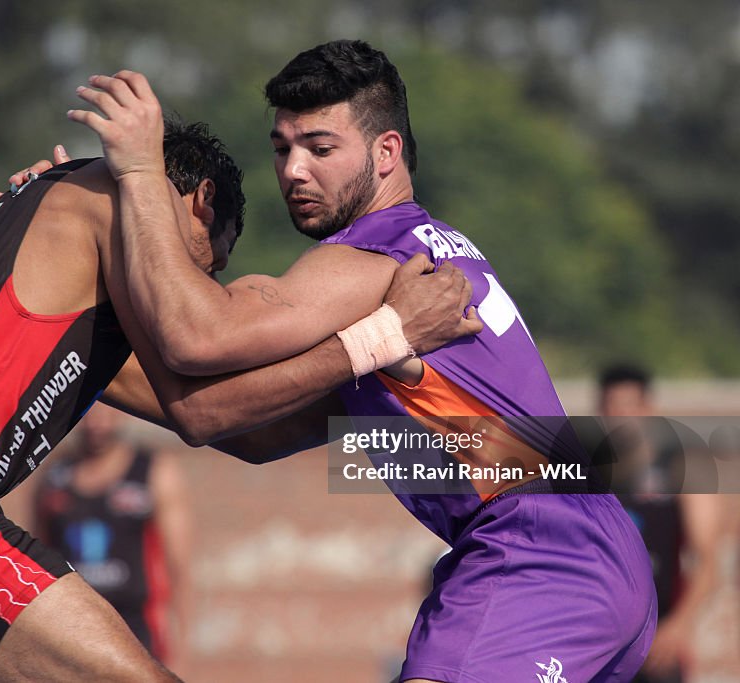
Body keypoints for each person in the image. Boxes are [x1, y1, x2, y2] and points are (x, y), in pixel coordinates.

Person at [0, 115, 477, 682]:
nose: (196, 287)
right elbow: (204, 383)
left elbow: (232, 424)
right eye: (213, 262)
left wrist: (376, 386)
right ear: (199, 201)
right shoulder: (108, 200)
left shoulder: (60, 260)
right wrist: (387, 333)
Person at [66, 39, 657, 681]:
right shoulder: (416, 265)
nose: (293, 170)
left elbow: (197, 338)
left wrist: (137, 184)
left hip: (536, 550)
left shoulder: (378, 255)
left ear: (386, 153)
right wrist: (63, 342)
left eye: (320, 149)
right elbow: (238, 422)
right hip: (590, 552)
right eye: (282, 147)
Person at [34, 402, 192, 666]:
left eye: (104, 414)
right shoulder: (54, 477)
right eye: (88, 414)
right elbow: (37, 563)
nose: (96, 424)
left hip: (137, 629)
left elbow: (179, 568)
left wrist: (182, 654)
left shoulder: (153, 471)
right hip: (71, 629)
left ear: (119, 413)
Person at [600, 365, 721, 683]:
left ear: (648, 408)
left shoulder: (680, 468)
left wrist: (679, 626)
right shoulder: (588, 476)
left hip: (658, 637)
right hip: (599, 635)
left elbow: (707, 559)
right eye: (612, 406)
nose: (621, 415)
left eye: (630, 405)